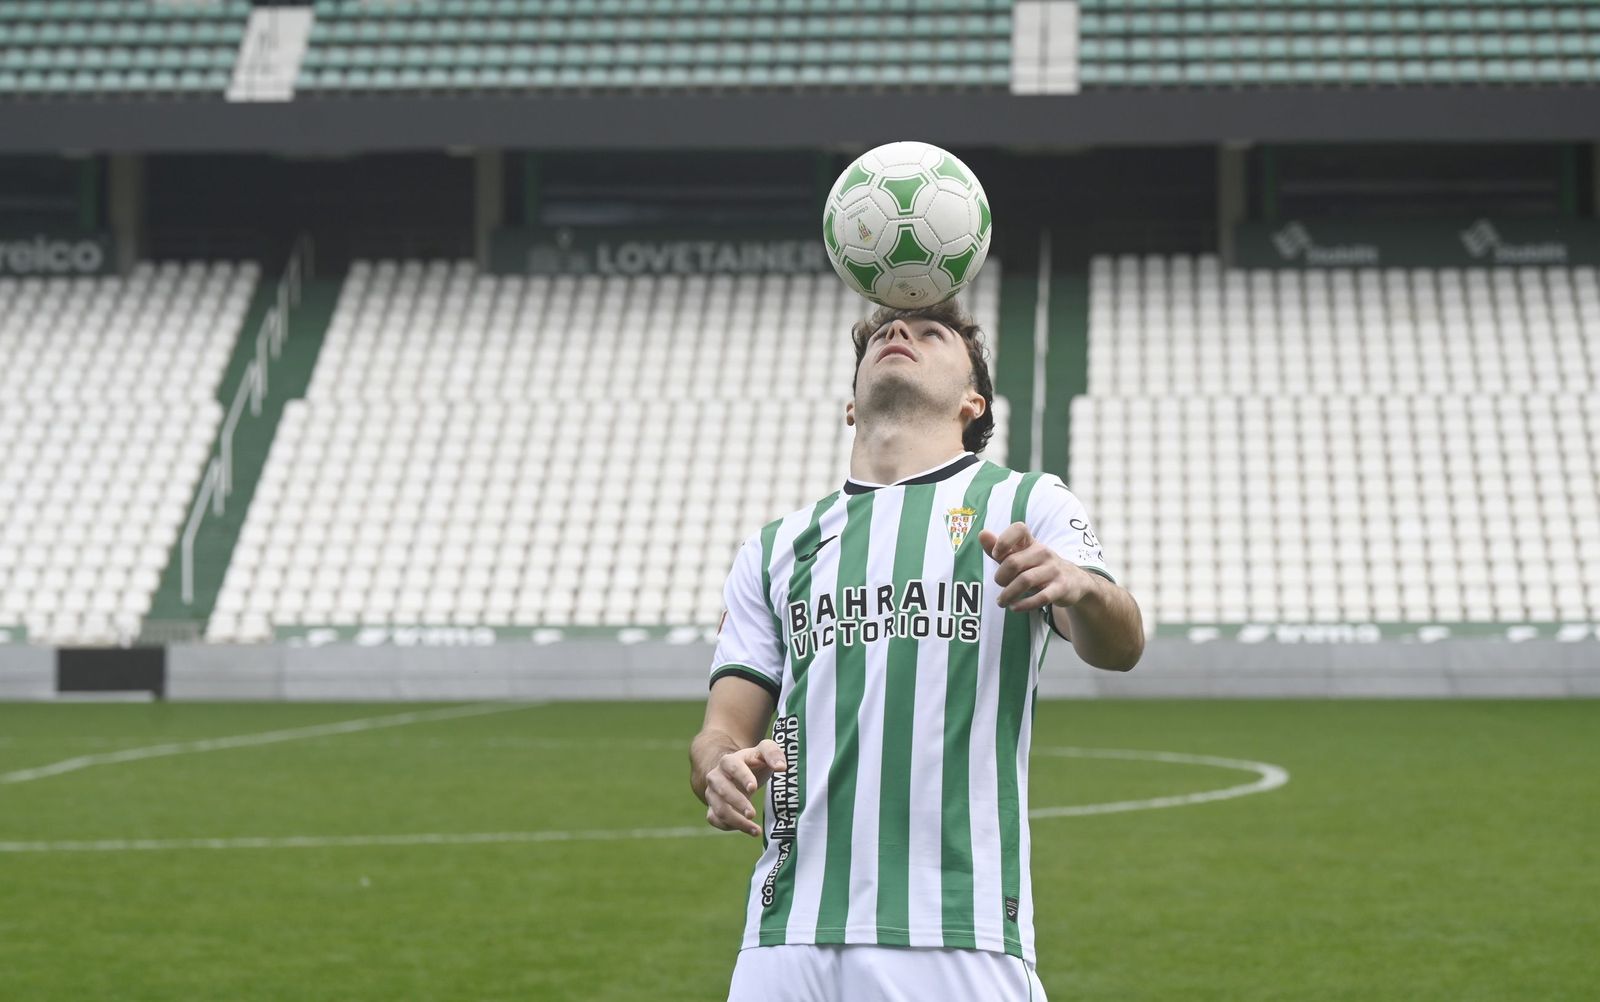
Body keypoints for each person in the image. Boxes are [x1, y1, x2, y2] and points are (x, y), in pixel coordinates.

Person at [689, 298, 1144, 1002]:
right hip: (785, 933)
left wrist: (1080, 586)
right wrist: (718, 766)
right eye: (884, 334)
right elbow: (723, 729)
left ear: (974, 400)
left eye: (931, 332)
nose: (899, 333)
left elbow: (1121, 645)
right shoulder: (776, 548)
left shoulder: (1025, 503)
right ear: (850, 406)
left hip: (955, 930)